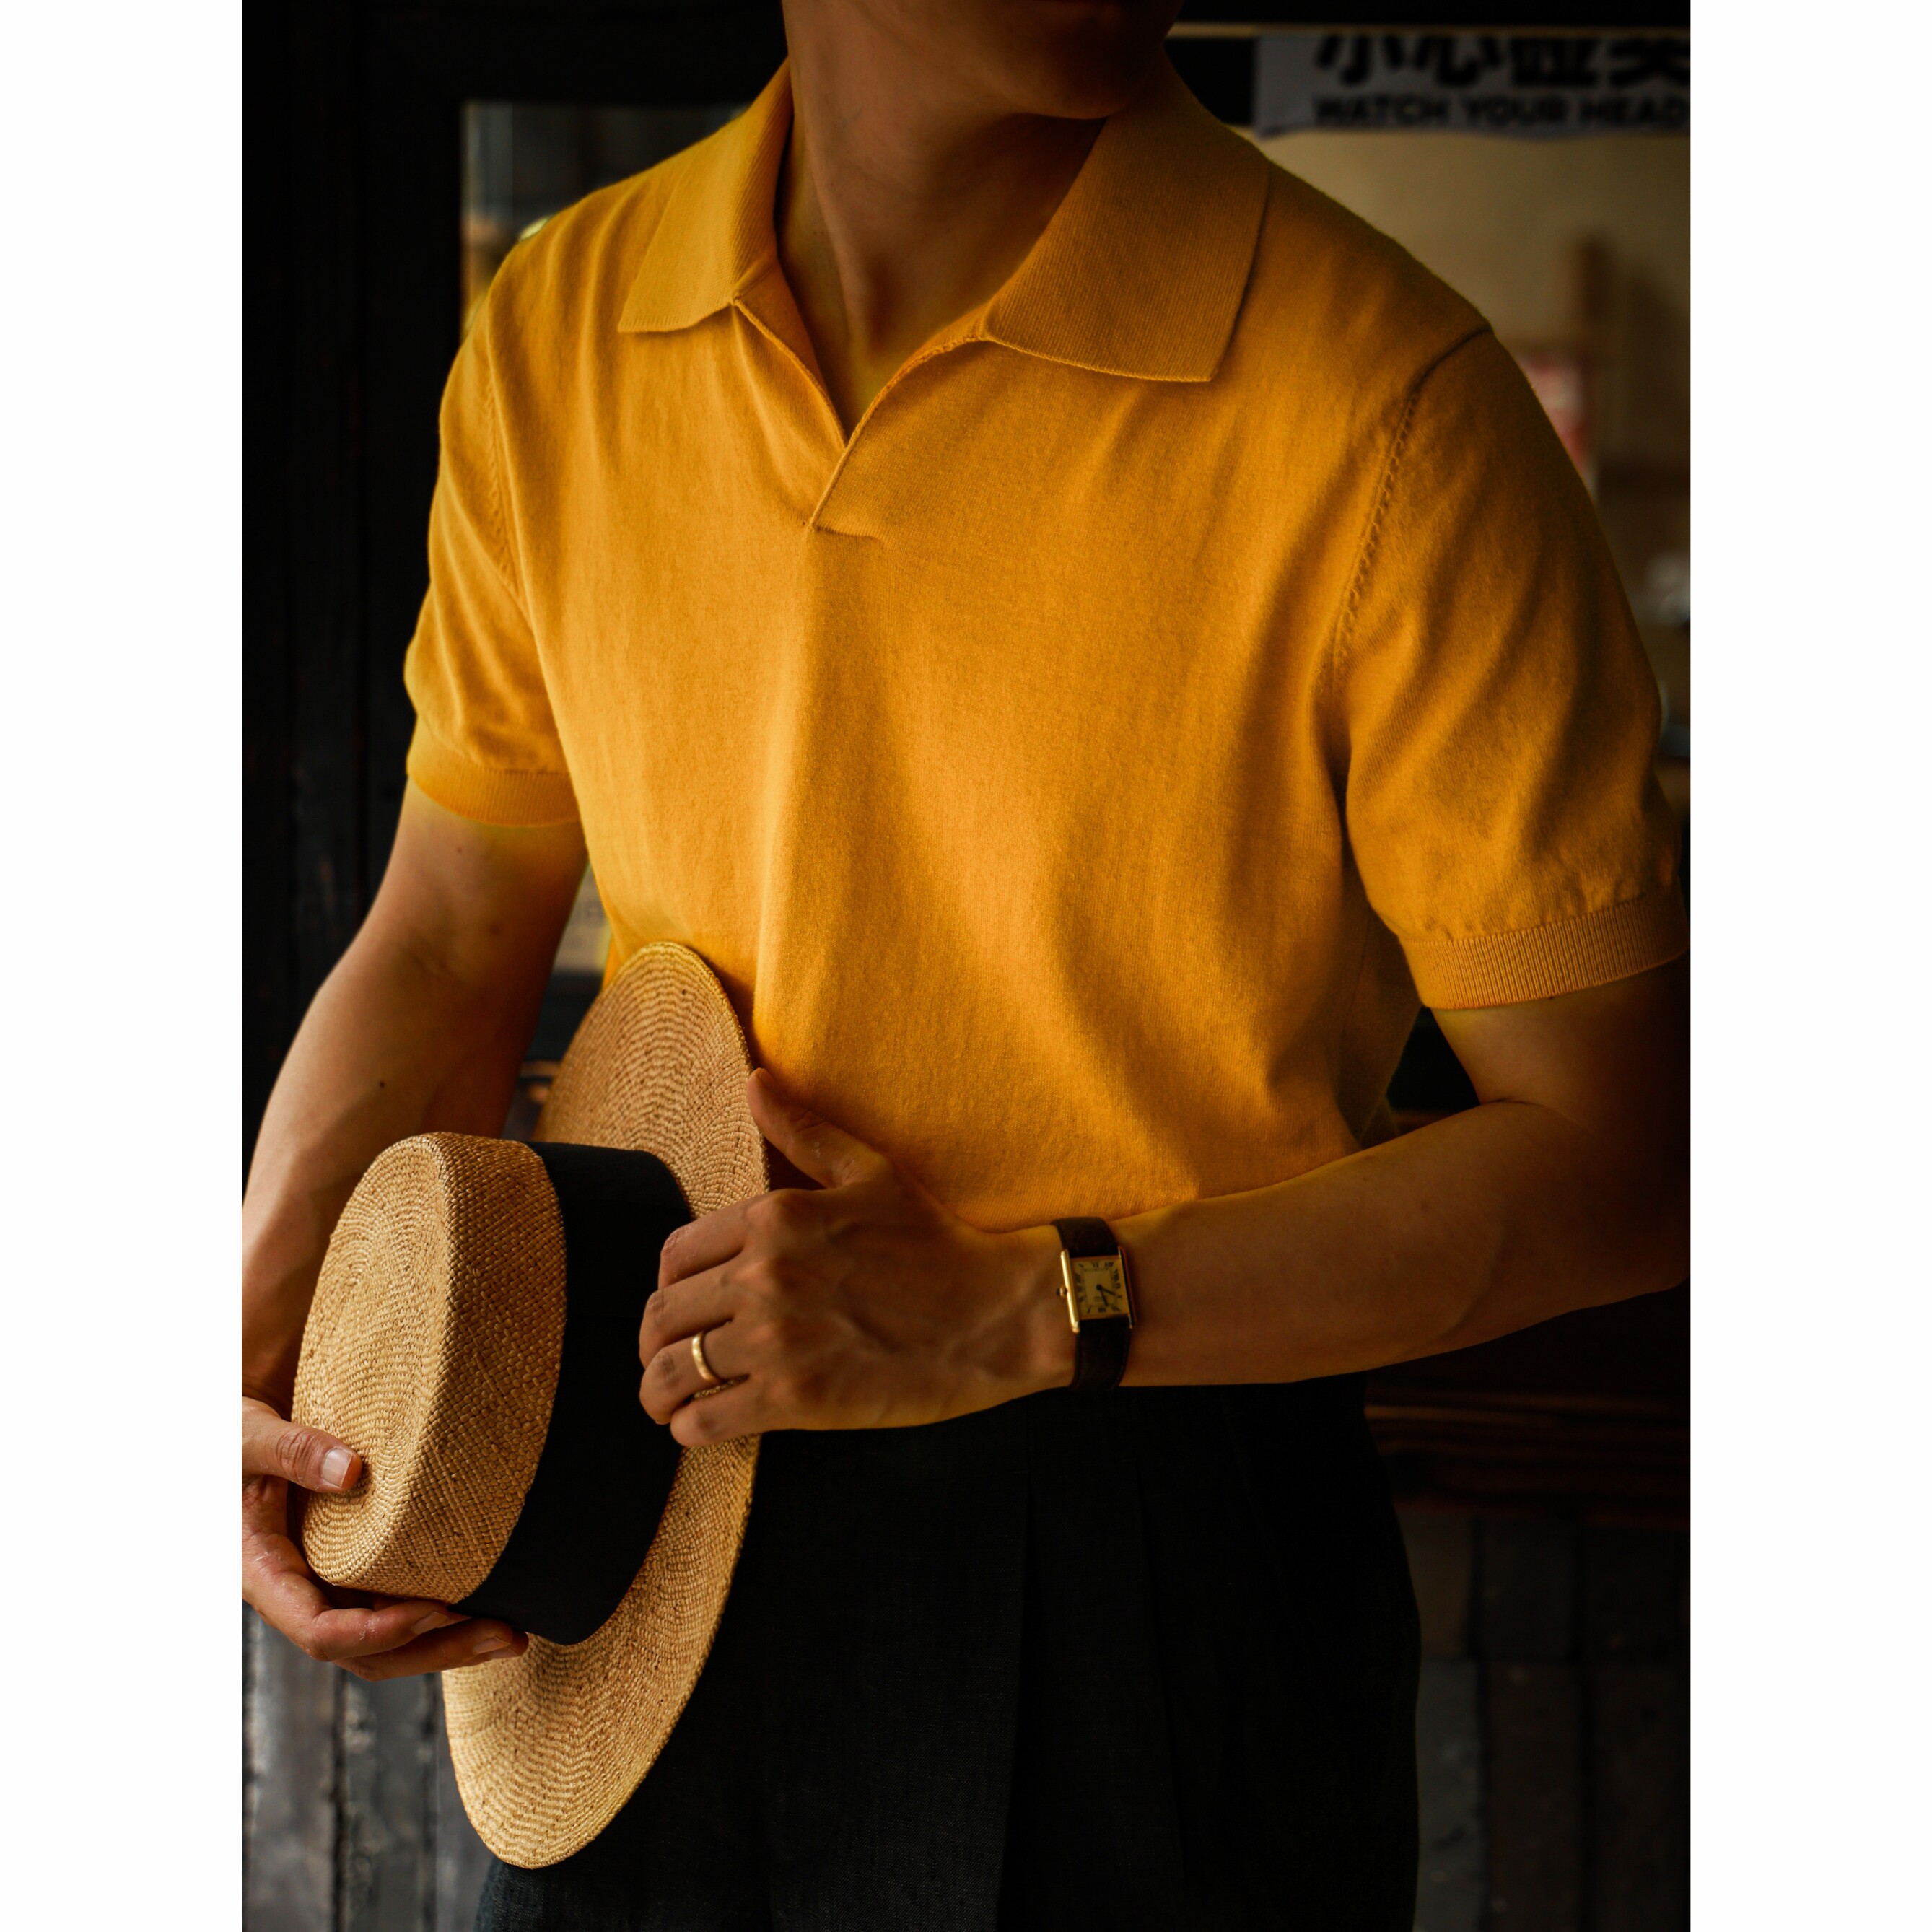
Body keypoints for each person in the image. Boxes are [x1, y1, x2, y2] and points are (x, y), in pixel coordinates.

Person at [242, 1, 1689, 1924]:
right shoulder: (561, 322)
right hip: (623, 1500)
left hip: (1149, 1559)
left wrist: (1028, 1307)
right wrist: (250, 1356)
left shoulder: (1392, 398)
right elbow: (445, 926)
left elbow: (1629, 1156)